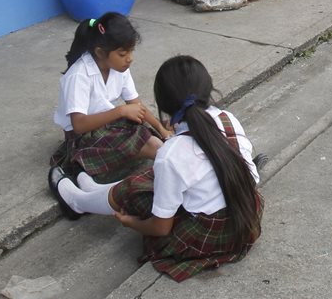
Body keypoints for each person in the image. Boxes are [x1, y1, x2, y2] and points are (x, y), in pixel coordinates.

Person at [49, 55, 262, 281]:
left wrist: (133, 223)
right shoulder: (226, 118)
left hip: (207, 237)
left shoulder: (172, 153)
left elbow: (160, 228)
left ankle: (77, 202)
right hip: (246, 221)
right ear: (208, 89)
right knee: (158, 177)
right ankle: (90, 189)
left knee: (134, 188)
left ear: (164, 105)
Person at [50, 13, 167, 196]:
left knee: (148, 134)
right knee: (153, 146)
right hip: (82, 137)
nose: (130, 58)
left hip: (109, 125)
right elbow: (79, 125)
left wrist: (160, 127)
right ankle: (81, 169)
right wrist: (121, 111)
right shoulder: (79, 75)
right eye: (123, 53)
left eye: (131, 51)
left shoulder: (120, 68)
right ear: (100, 53)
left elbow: (136, 104)